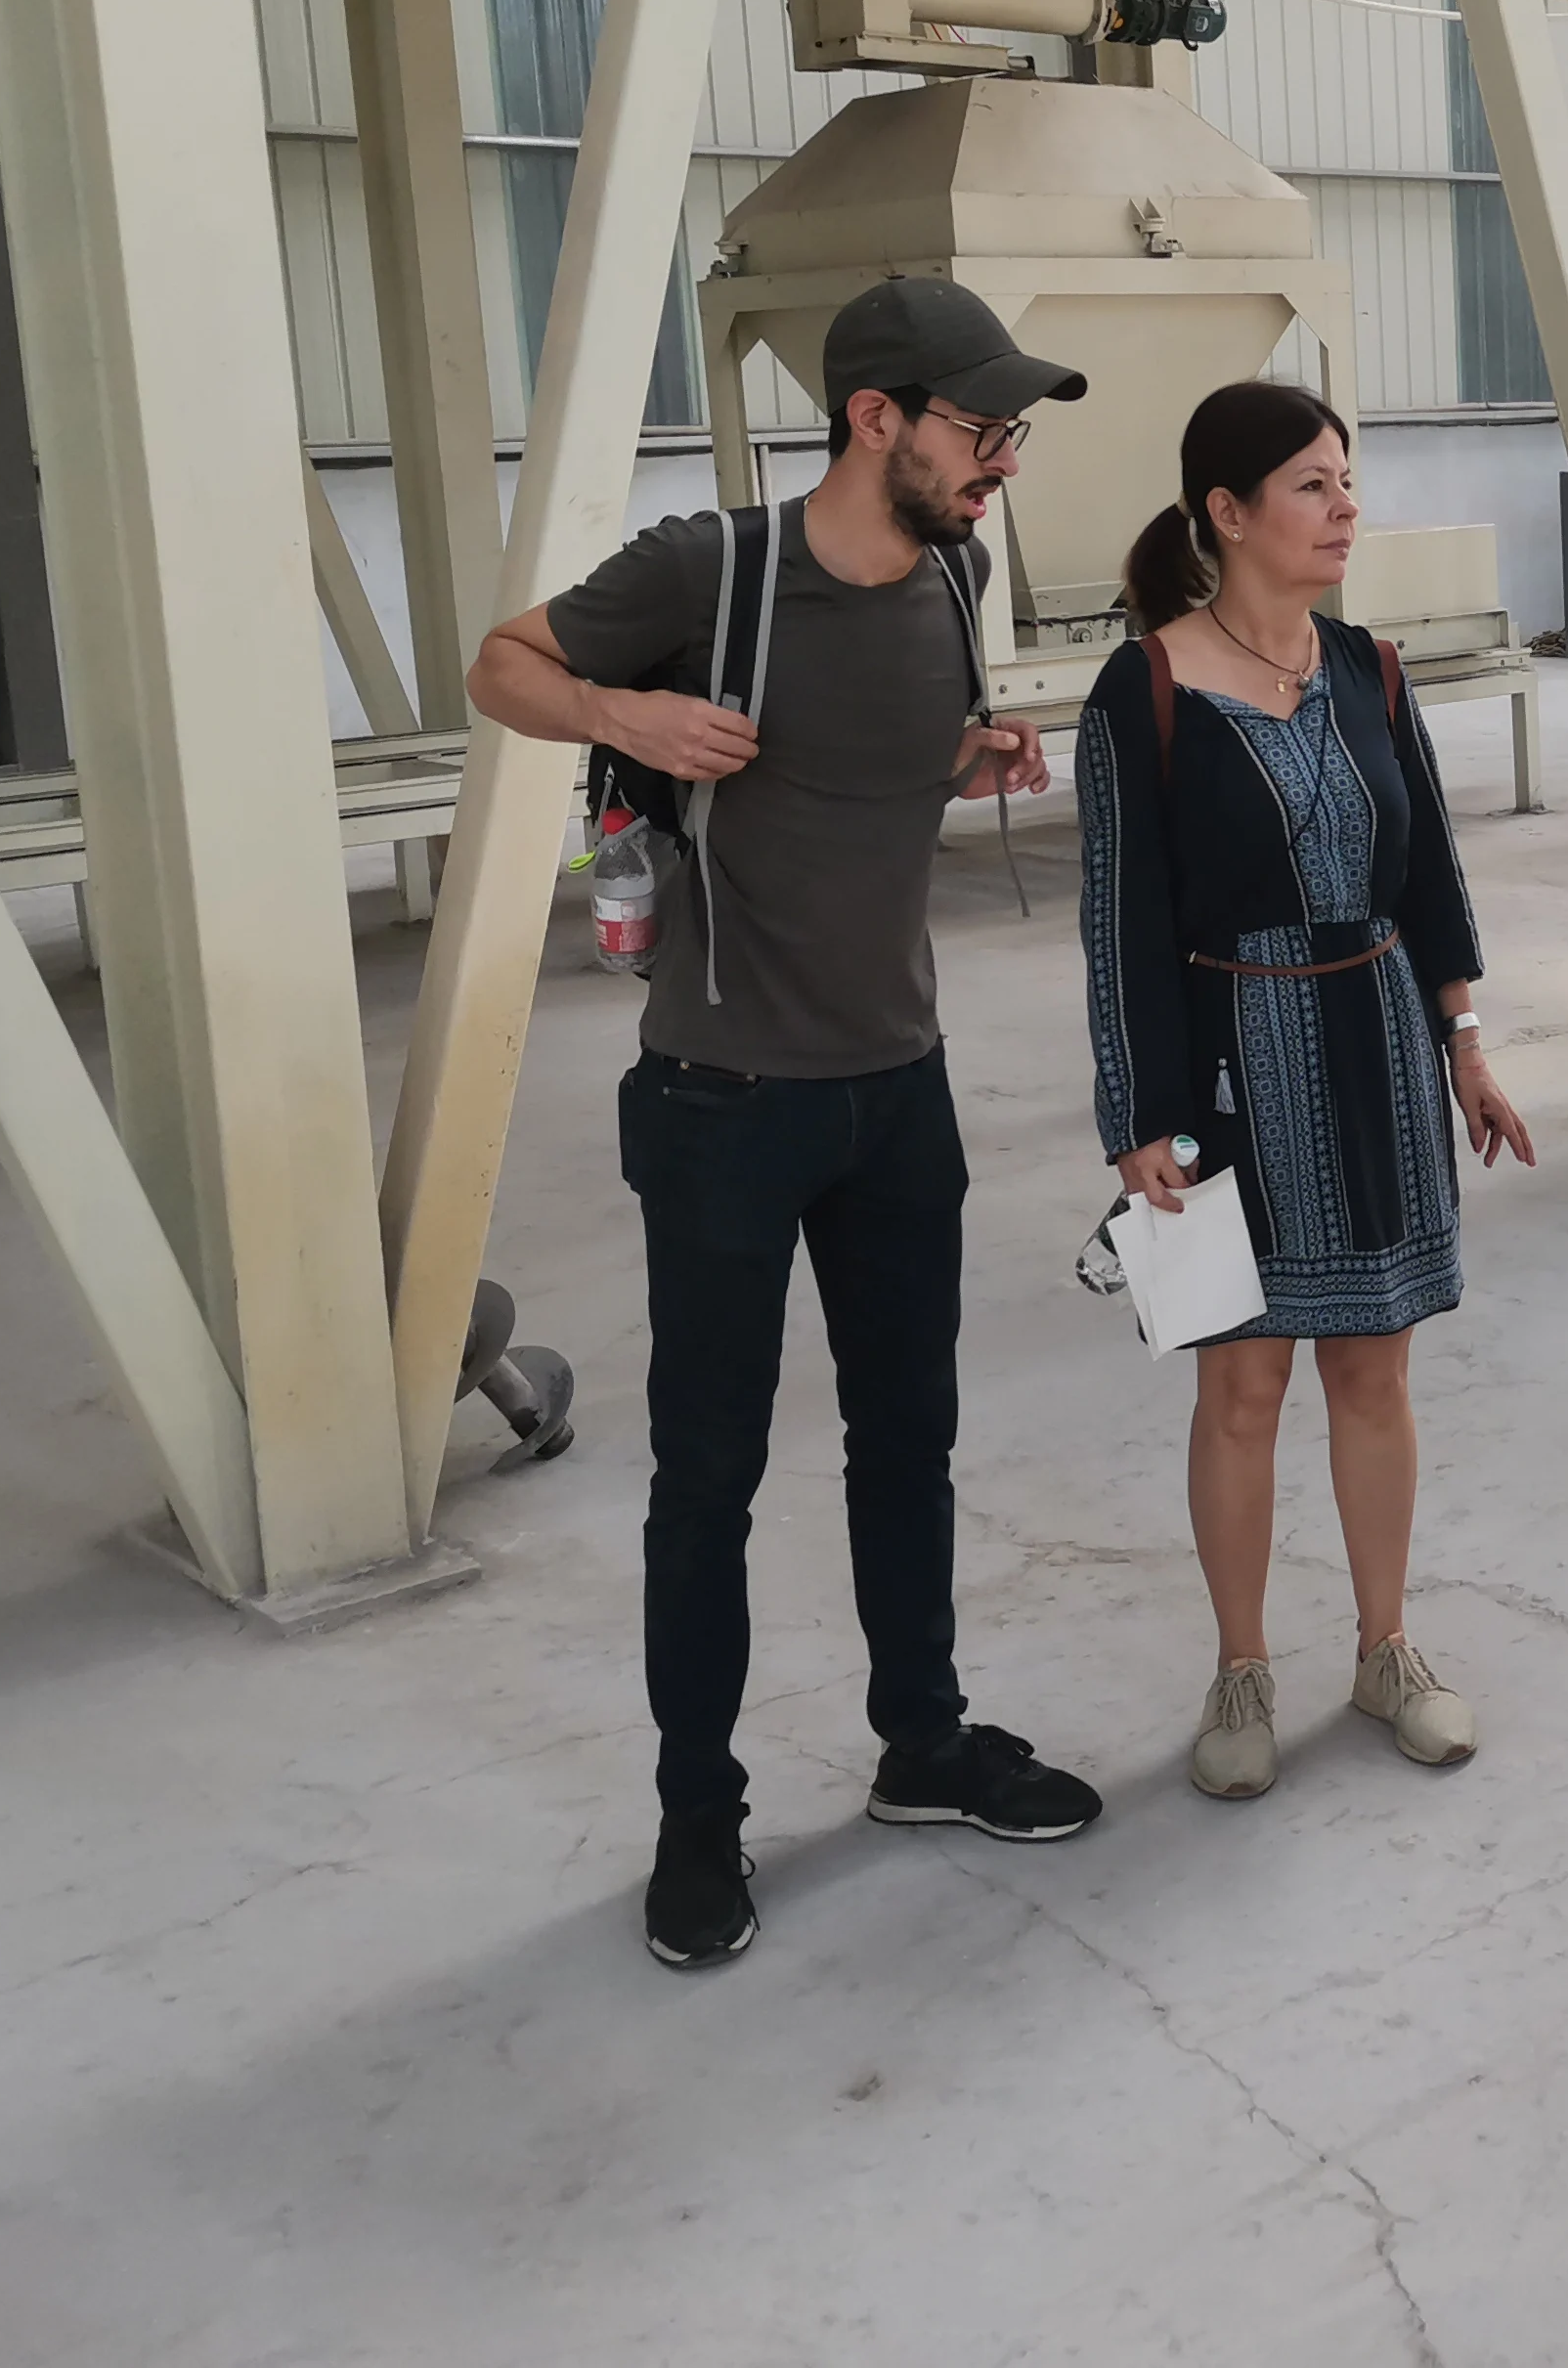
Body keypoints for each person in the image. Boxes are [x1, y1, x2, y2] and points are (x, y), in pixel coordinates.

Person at [467, 277, 1109, 1970]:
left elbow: (861, 773)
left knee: (910, 1440)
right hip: (725, 1104)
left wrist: (964, 761)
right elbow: (502, 662)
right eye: (981, 428)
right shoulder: (715, 568)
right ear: (874, 417)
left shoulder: (957, 577)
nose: (1004, 460)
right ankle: (698, 1817)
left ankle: (923, 1745)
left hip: (901, 1086)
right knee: (709, 1477)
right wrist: (624, 712)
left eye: (1013, 433)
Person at [1076, 380, 1536, 1802]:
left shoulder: (1370, 670)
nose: (1346, 510)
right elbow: (1120, 923)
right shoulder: (1146, 688)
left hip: (1379, 1048)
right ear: (1226, 513)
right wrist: (1138, 1118)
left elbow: (1428, 872)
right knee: (1243, 1382)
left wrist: (1465, 1044)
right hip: (1232, 1067)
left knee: (1374, 1368)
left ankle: (1386, 1649)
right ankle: (1241, 1669)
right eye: (1312, 486)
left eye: (1348, 481)